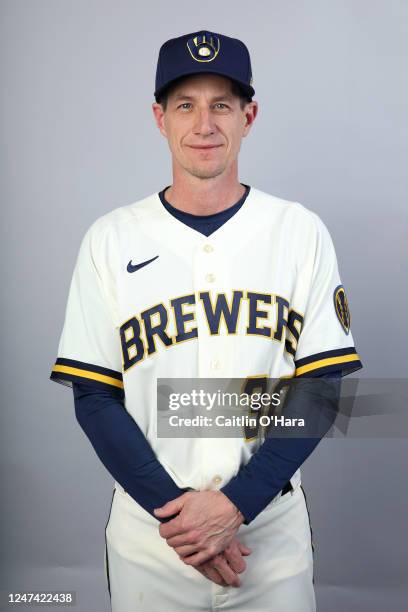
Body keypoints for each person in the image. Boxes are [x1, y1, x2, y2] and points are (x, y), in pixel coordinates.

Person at [50, 30, 363, 611]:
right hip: (152, 533)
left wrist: (236, 504)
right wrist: (184, 522)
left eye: (221, 104)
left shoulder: (298, 232)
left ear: (249, 115)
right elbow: (94, 397)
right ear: (159, 117)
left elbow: (320, 388)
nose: (204, 124)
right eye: (185, 105)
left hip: (268, 529)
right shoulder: (111, 239)